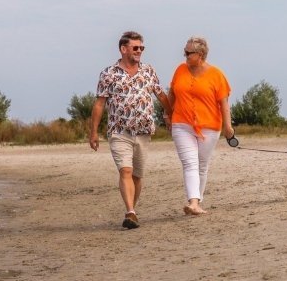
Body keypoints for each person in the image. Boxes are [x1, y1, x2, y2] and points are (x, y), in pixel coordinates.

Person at [90, 31, 172, 230]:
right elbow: (100, 104)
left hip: (143, 132)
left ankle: (132, 212)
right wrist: (93, 132)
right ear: (123, 49)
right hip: (119, 131)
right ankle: (130, 211)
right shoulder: (109, 73)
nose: (139, 51)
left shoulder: (148, 71)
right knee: (125, 170)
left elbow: (161, 96)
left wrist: (169, 115)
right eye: (136, 48)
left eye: (142, 48)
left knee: (137, 175)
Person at [168, 36, 234, 215]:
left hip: (210, 126)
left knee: (202, 165)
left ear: (201, 54)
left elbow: (224, 104)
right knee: (190, 162)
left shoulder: (216, 74)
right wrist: (168, 114)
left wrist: (228, 127)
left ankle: (197, 201)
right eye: (185, 52)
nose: (185, 56)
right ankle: (193, 203)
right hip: (181, 124)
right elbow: (172, 93)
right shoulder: (180, 70)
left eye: (189, 53)